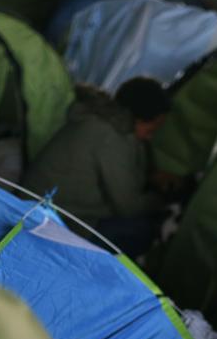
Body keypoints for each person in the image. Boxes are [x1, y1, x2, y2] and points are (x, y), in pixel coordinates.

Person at [22, 77, 171, 255]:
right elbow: (127, 206)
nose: (150, 137)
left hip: (38, 208)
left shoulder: (101, 120)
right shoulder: (111, 137)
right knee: (139, 229)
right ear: (137, 119)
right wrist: (161, 199)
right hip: (48, 221)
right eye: (150, 130)